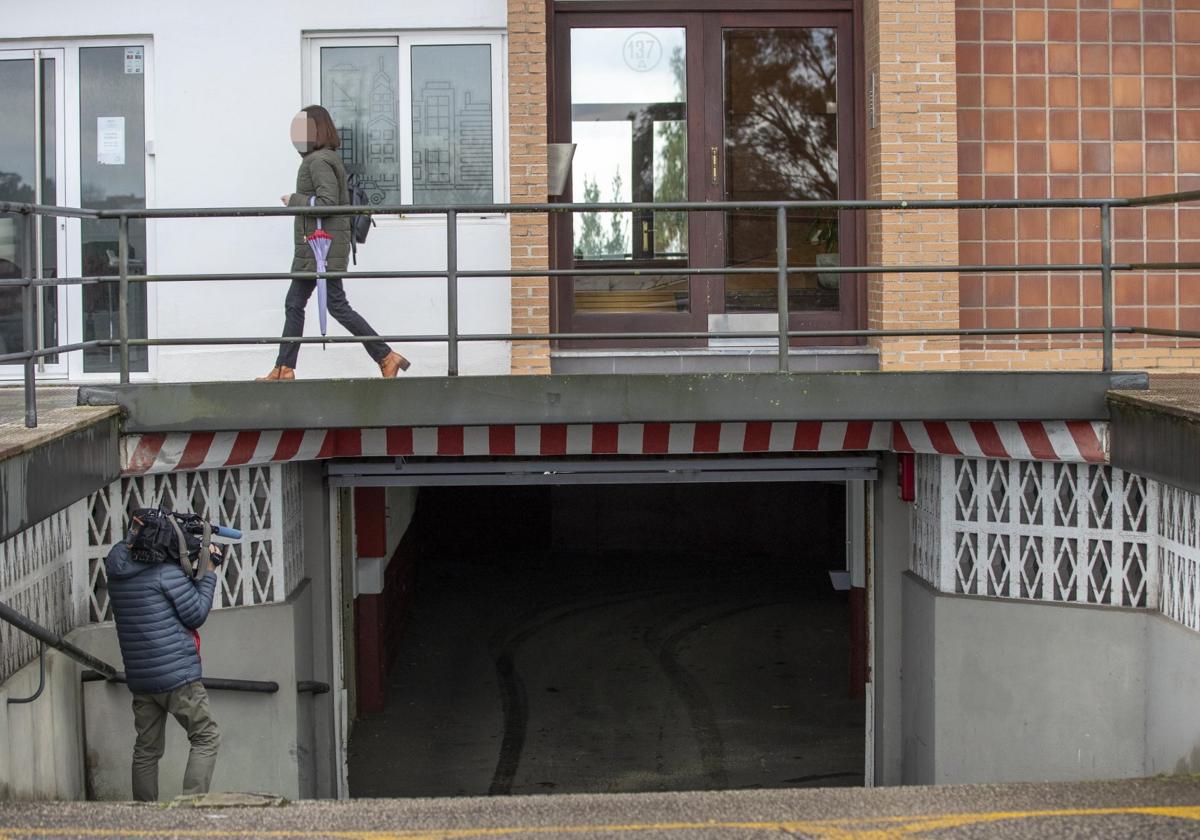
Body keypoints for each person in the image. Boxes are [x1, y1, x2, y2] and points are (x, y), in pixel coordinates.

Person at [258, 105, 410, 380]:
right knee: (297, 303)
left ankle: (386, 356)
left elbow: (328, 202)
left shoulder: (317, 161)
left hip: (320, 249)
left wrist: (295, 200)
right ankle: (284, 368)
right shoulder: (325, 158)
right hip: (318, 248)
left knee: (331, 305)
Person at [105, 511, 223, 801]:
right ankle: (189, 811)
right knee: (205, 736)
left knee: (146, 748)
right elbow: (195, 613)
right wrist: (207, 571)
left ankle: (144, 818)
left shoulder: (117, 571)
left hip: (141, 679)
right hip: (178, 676)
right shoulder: (165, 574)